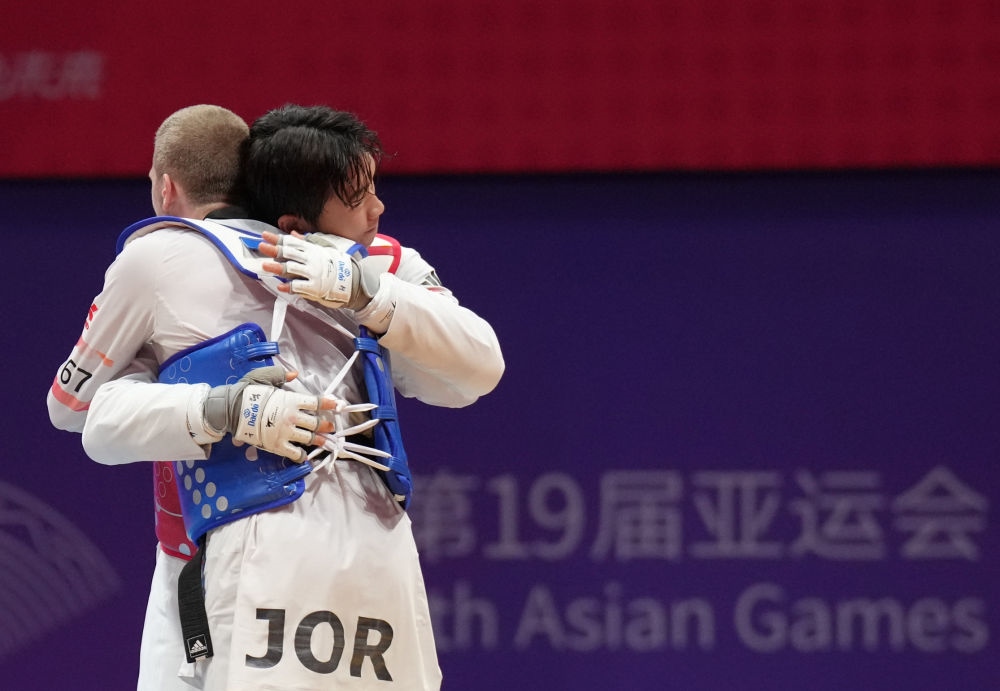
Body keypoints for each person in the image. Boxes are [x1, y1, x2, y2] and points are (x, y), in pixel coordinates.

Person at [49, 102, 504, 690]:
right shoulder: (167, 257)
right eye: (358, 194)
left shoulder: (380, 261)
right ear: (289, 217)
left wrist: (366, 292)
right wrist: (220, 408)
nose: (378, 208)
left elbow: (479, 366)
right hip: (214, 548)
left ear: (166, 188)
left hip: (372, 538)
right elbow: (98, 420)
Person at [47, 104, 253, 689]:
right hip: (300, 539)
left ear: (167, 188)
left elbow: (67, 407)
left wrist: (142, 364)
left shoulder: (151, 256)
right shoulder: (301, 249)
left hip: (198, 553)